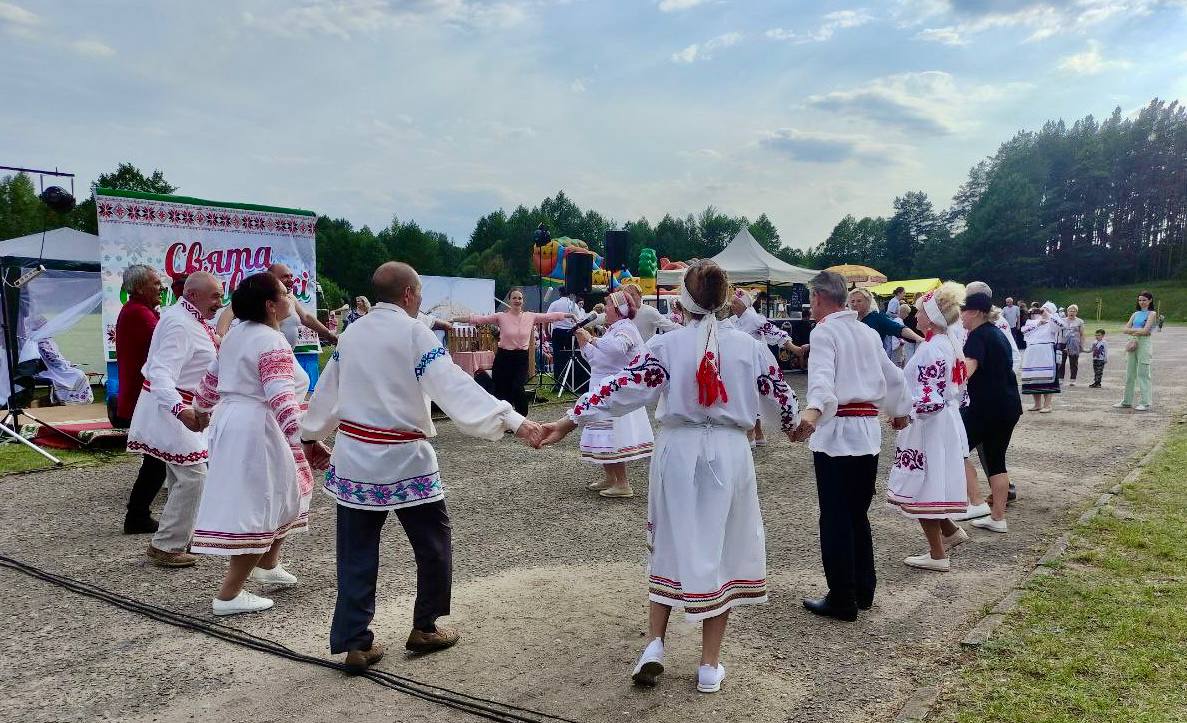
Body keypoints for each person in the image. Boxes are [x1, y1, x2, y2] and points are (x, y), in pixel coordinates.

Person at [537, 260, 800, 694]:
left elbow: (620, 387)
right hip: (730, 452)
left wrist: (567, 420)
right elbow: (783, 400)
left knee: (671, 539)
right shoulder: (750, 348)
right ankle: (708, 666)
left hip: (678, 449)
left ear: (683, 299)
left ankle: (655, 644)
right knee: (722, 546)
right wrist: (796, 426)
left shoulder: (667, 345)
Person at [300, 262, 542, 673]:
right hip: (405, 457)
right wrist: (514, 421)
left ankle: (355, 641)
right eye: (421, 293)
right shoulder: (415, 333)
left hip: (357, 458)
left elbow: (328, 389)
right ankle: (425, 627)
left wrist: (310, 435)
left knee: (355, 552)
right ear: (410, 294)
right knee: (433, 544)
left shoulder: (353, 332)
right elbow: (453, 387)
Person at [191, 273, 326, 615]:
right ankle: (229, 595)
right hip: (259, 429)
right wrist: (307, 440)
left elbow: (211, 379)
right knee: (260, 506)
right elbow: (280, 398)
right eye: (284, 293)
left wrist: (202, 411)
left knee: (290, 493)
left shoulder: (238, 334)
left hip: (242, 423)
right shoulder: (270, 342)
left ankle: (268, 565)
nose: (290, 297)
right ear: (270, 305)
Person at [793, 271, 911, 622]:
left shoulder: (825, 331)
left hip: (837, 433)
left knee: (835, 516)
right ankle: (863, 588)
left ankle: (842, 596)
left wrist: (812, 414)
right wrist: (900, 410)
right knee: (857, 513)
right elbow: (895, 376)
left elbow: (823, 381)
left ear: (817, 298)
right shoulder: (867, 331)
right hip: (866, 434)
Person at [126, 272, 223, 567]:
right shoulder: (179, 324)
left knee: (182, 475)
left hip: (180, 406)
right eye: (215, 296)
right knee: (194, 477)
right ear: (193, 295)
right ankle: (167, 545)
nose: (220, 302)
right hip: (172, 408)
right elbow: (159, 372)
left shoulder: (190, 319)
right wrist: (181, 411)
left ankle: (176, 536)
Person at [885, 283, 970, 571]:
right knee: (930, 479)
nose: (916, 316)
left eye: (920, 311)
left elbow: (927, 397)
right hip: (941, 421)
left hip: (927, 424)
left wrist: (903, 414)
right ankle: (949, 532)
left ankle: (937, 555)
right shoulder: (949, 343)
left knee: (924, 484)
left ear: (932, 316)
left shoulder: (932, 348)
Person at [573, 290, 653, 498]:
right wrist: (584, 344)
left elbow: (617, 350)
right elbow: (596, 360)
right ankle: (611, 477)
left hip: (616, 390)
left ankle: (623, 483)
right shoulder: (611, 330)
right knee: (603, 437)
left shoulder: (626, 328)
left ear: (619, 309)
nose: (604, 308)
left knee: (612, 437)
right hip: (600, 386)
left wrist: (591, 339)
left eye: (607, 304)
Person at [960, 292, 1023, 534]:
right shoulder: (997, 333)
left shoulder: (977, 335)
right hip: (1007, 406)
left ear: (975, 312)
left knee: (956, 447)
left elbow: (965, 373)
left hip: (986, 408)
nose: (962, 316)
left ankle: (975, 502)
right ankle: (998, 517)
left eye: (964, 311)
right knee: (997, 461)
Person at [458, 288, 575, 415]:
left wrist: (569, 315)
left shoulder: (530, 316)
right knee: (502, 390)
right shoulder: (501, 317)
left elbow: (550, 316)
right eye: (514, 298)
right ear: (509, 300)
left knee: (517, 388)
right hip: (504, 357)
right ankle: (505, 419)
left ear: (523, 301)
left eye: (520, 298)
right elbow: (479, 319)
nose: (517, 300)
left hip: (521, 358)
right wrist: (455, 319)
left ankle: (521, 418)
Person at [114, 265, 166, 534]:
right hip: (143, 398)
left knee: (158, 461)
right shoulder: (139, 315)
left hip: (140, 396)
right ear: (138, 288)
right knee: (156, 461)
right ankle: (137, 516)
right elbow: (164, 349)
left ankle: (139, 515)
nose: (161, 288)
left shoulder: (139, 312)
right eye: (155, 284)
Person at [729, 288, 803, 447]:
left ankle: (752, 433)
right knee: (747, 395)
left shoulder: (755, 319)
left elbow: (776, 333)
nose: (732, 305)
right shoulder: (733, 321)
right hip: (741, 362)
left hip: (755, 362)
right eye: (732, 302)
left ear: (745, 304)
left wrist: (795, 349)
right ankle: (758, 433)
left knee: (754, 394)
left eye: (735, 302)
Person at [216, 263, 338, 346]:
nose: (291, 280)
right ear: (271, 277)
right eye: (285, 276)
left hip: (286, 355)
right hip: (262, 355)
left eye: (291, 276)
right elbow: (229, 312)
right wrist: (221, 337)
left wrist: (327, 333)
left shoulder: (291, 297)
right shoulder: (255, 295)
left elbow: (305, 317)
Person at [28, 316, 93, 405]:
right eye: (45, 325)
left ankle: (70, 399)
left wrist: (66, 363)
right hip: (48, 370)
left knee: (77, 373)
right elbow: (53, 359)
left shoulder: (42, 340)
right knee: (79, 374)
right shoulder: (42, 342)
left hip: (51, 368)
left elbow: (55, 357)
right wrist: (66, 364)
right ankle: (70, 400)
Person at [847, 287, 925, 354]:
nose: (855, 304)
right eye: (852, 301)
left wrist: (918, 338)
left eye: (859, 301)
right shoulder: (850, 319)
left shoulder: (877, 318)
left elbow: (899, 329)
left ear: (868, 302)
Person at [1115, 291, 1157, 411]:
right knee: (1130, 373)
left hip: (1144, 343)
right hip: (1132, 342)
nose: (1142, 302)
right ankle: (1126, 401)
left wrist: (1133, 330)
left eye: (1144, 300)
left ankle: (1145, 402)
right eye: (1140, 300)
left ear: (1150, 301)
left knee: (1143, 373)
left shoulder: (1152, 313)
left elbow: (1146, 331)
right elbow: (1125, 329)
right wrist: (1138, 331)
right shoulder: (1135, 314)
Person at [1020, 302, 1065, 413]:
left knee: (1046, 377)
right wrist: (1038, 324)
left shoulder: (1053, 320)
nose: (1043, 310)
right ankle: (1037, 404)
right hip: (1032, 350)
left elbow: (1061, 325)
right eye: (1043, 308)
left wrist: (1048, 315)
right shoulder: (1032, 321)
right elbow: (1023, 331)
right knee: (1033, 377)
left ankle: (1048, 404)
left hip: (1046, 350)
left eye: (1046, 309)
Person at [547, 287, 586, 393]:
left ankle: (558, 383)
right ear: (569, 294)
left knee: (557, 356)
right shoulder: (573, 304)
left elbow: (548, 317)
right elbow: (579, 318)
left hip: (558, 331)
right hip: (570, 332)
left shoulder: (554, 304)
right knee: (571, 356)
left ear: (559, 293)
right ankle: (571, 381)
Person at [1057, 304, 1085, 386]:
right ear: (1067, 312)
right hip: (1063, 343)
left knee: (1074, 362)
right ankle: (1060, 378)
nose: (1072, 312)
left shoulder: (1080, 321)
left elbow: (1082, 334)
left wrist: (1081, 344)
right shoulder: (1062, 320)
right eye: (1070, 310)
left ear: (1076, 312)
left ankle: (1073, 379)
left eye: (1074, 311)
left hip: (1074, 343)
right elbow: (1058, 332)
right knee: (1061, 362)